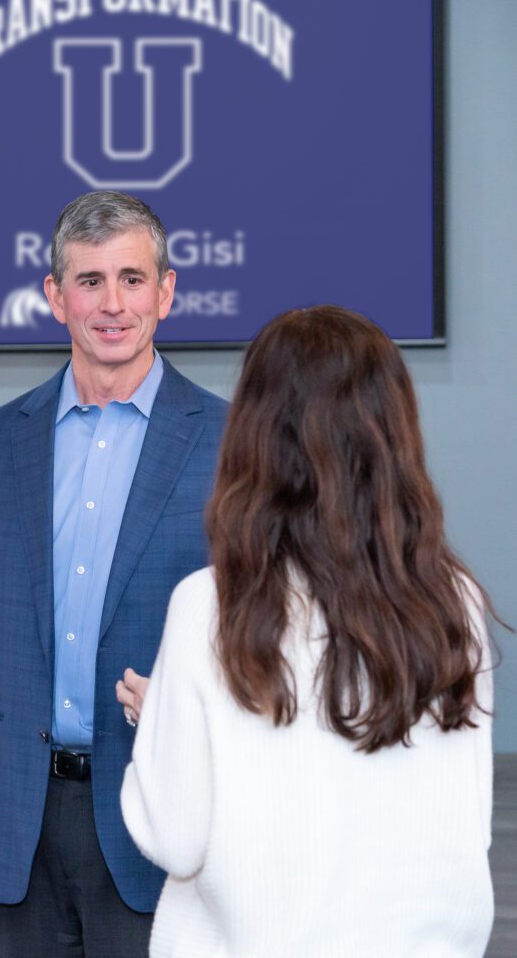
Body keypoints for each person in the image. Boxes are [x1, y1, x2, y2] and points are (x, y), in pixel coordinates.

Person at [121, 305, 498, 958]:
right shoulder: (454, 599)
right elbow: (468, 825)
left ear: (254, 435)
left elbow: (173, 835)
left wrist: (163, 724)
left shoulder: (210, 606)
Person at [0, 190, 228, 956]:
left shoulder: (233, 443)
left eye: (132, 278)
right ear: (55, 297)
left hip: (165, 820)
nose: (112, 304)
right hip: (23, 825)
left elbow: (263, 636)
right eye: (89, 281)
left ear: (168, 290)